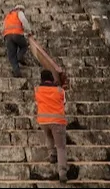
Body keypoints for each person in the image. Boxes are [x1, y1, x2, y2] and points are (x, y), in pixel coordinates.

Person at [29, 37, 69, 183]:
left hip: (43, 120)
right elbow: (64, 102)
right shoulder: (59, 91)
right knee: (61, 147)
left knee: (48, 136)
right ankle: (62, 172)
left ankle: (51, 154)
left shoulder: (37, 90)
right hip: (57, 121)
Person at [2, 4, 33, 77]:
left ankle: (17, 72)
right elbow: (24, 21)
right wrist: (29, 31)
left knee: (12, 56)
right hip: (17, 34)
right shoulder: (19, 12)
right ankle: (19, 57)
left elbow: (3, 27)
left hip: (7, 36)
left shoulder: (8, 16)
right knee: (24, 46)